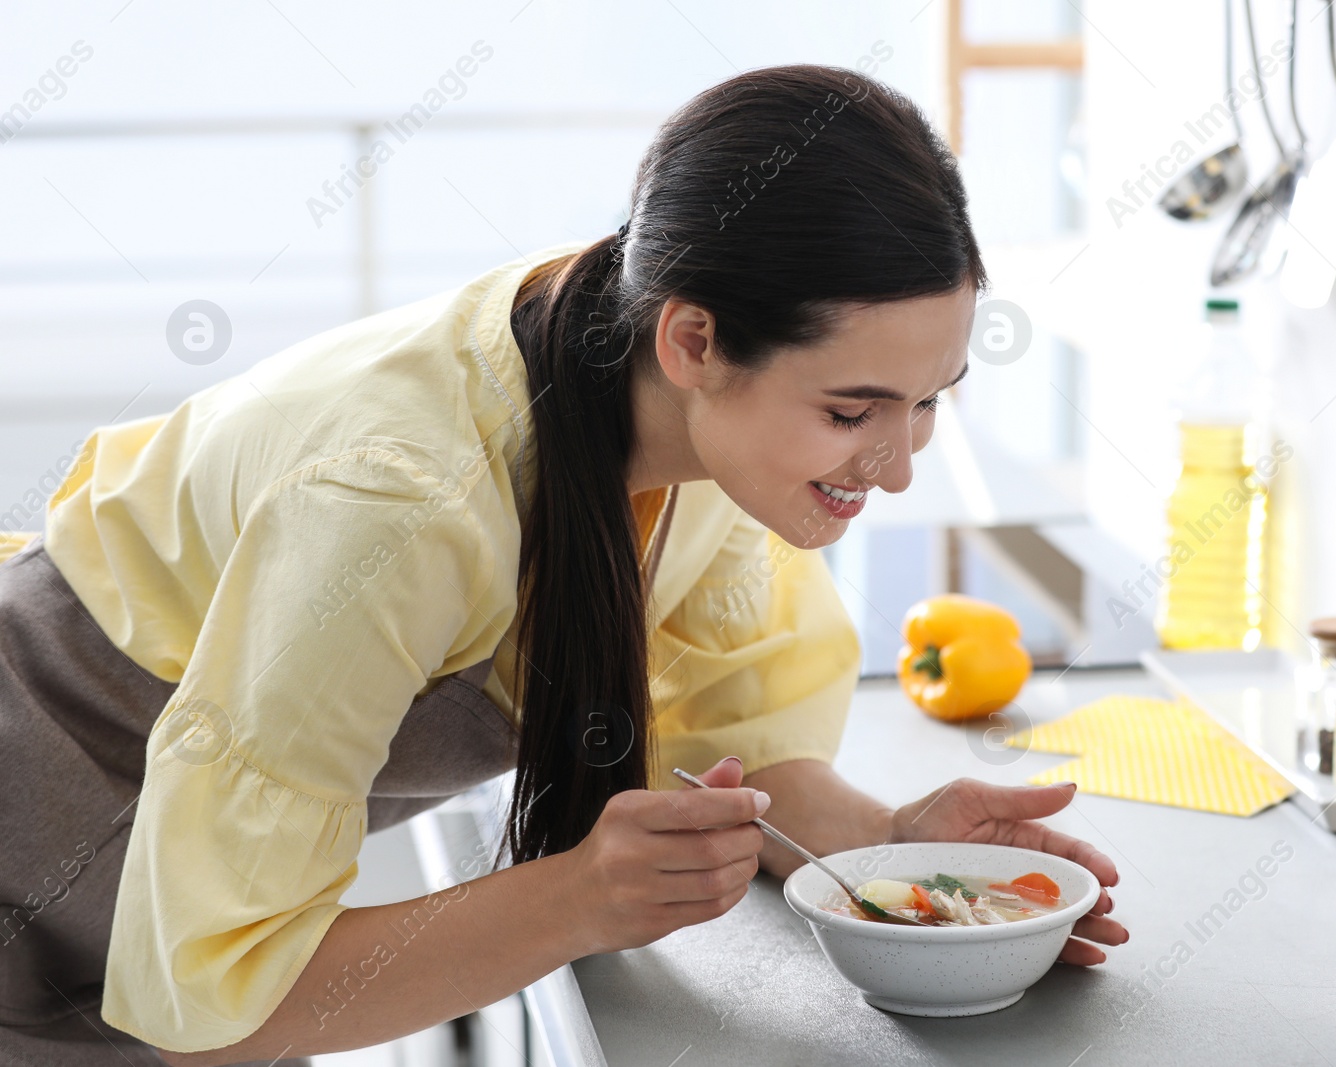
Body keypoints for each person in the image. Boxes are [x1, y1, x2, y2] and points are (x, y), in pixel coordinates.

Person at [0, 64, 1125, 1065]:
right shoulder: (398, 503)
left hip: (139, 907)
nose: (895, 465)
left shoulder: (692, 436)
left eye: (928, 402)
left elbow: (738, 750)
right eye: (850, 409)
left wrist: (889, 847)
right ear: (693, 340)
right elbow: (222, 1011)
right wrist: (577, 897)